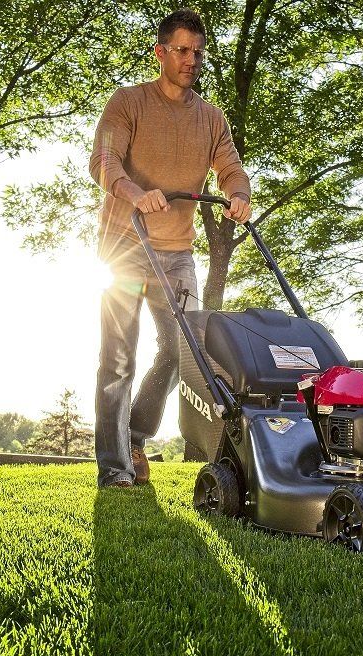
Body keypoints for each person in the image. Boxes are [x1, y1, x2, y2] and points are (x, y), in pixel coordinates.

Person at [89, 8, 251, 488]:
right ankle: (115, 468)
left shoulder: (210, 118)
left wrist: (239, 194)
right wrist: (135, 193)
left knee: (186, 353)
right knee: (118, 358)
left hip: (178, 253)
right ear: (160, 52)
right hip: (124, 247)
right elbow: (102, 160)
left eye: (198, 52)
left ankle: (136, 435)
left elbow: (231, 167)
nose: (191, 59)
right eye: (181, 50)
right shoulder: (129, 103)